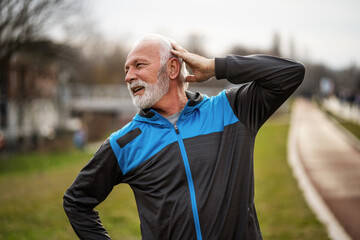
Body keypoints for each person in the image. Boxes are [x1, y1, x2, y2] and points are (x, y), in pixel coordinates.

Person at [63, 34, 305, 240]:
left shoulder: (230, 111)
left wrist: (215, 66)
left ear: (172, 68)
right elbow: (76, 202)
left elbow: (290, 73)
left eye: (139, 65)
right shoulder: (123, 142)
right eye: (126, 69)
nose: (128, 76)